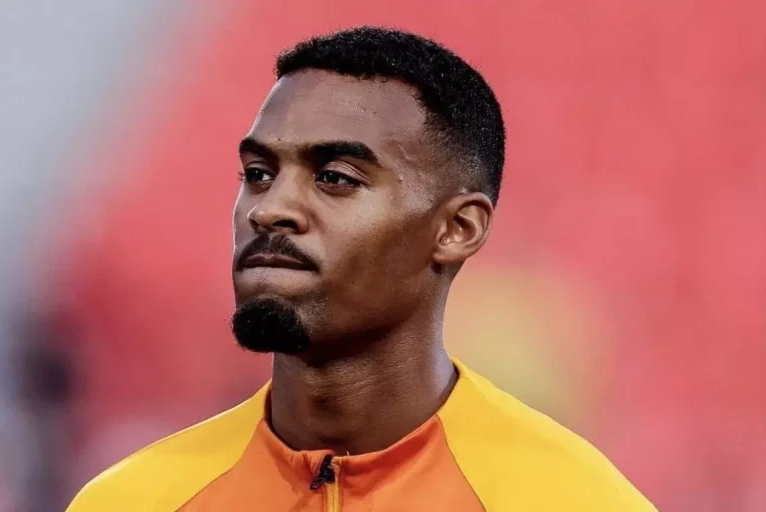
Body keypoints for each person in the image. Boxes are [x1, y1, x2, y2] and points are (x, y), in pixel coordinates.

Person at [66, 26, 656, 511]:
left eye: (335, 178)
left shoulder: (572, 501)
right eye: (258, 174)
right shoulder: (132, 500)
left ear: (458, 229)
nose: (269, 209)